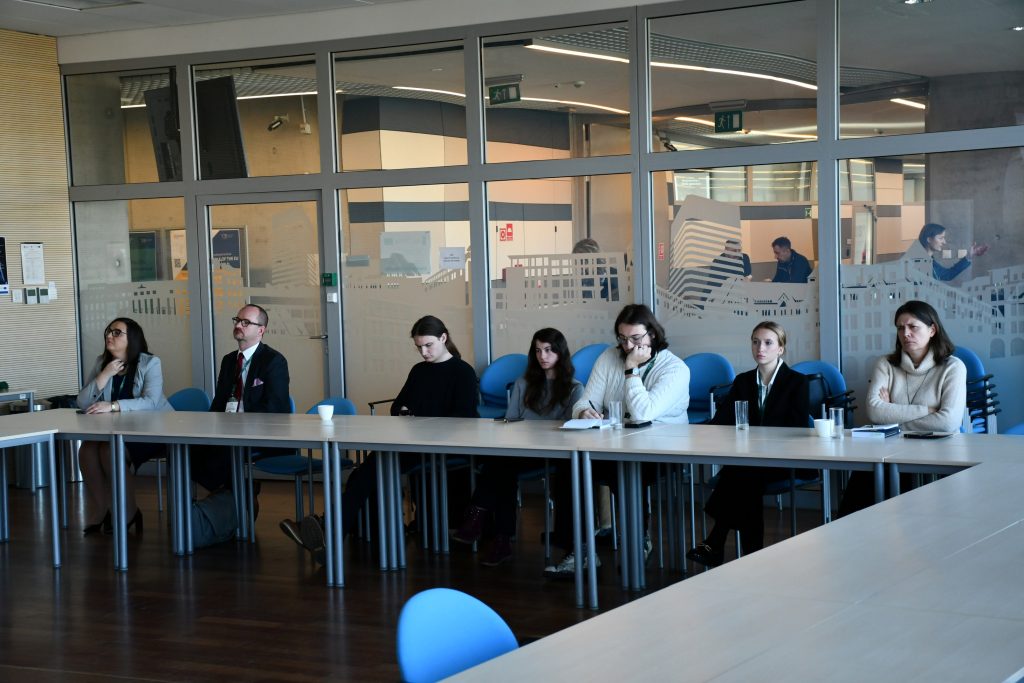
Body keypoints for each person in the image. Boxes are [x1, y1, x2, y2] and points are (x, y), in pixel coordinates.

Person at [281, 315, 478, 563]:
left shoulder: (463, 372)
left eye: (428, 345)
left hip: (444, 446)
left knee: (368, 472)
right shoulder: (419, 371)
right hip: (413, 443)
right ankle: (330, 534)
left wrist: (421, 417)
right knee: (362, 473)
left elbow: (464, 417)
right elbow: (397, 406)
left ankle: (328, 533)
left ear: (443, 338)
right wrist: (405, 411)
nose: (423, 352)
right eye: (419, 347)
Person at [545, 303, 690, 578]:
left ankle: (638, 540)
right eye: (622, 339)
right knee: (569, 467)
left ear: (652, 335)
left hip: (662, 450)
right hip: (616, 444)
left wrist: (631, 370)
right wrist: (583, 411)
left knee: (624, 469)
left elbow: (643, 413)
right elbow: (585, 400)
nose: (628, 346)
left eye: (635, 338)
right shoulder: (608, 357)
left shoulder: (675, 369)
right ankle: (581, 550)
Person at [452, 328, 584, 566]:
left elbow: (569, 429)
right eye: (538, 351)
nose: (542, 356)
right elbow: (512, 420)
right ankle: (499, 538)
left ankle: (482, 520)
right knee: (501, 464)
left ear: (560, 353)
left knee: (499, 466)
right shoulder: (524, 383)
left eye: (549, 350)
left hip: (554, 453)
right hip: (521, 449)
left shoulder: (574, 388)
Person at [686, 321, 809, 568]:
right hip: (750, 460)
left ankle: (716, 541)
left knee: (741, 474)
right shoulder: (743, 381)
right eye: (755, 342)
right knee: (746, 476)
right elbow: (722, 420)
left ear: (781, 349)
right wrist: (695, 433)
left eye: (768, 343)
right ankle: (751, 557)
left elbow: (796, 428)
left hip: (783, 458)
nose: (760, 348)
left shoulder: (797, 382)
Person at [837, 300, 967, 517]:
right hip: (891, 449)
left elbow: (948, 422)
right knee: (865, 479)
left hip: (938, 450)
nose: (905, 333)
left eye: (913, 327)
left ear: (932, 330)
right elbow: (875, 412)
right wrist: (929, 410)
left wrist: (892, 414)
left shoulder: (953, 367)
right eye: (900, 328)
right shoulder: (885, 364)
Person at [189, 304, 291, 548]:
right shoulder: (228, 361)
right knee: (186, 451)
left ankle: (231, 503)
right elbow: (219, 403)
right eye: (237, 320)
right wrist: (208, 427)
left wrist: (242, 423)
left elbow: (276, 407)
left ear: (261, 330)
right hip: (227, 430)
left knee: (223, 454)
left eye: (246, 322)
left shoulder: (273, 361)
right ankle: (232, 499)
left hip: (262, 433)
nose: (238, 325)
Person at [76, 317, 172, 535]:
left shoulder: (150, 363)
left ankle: (129, 512)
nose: (110, 336)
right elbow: (82, 402)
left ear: (133, 338)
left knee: (110, 451)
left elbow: (151, 402)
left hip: (152, 430)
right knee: (87, 451)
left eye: (117, 332)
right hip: (115, 430)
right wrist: (104, 374)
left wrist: (113, 406)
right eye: (108, 332)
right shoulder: (102, 362)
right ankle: (102, 509)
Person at [907, 223, 989, 282]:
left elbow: (947, 275)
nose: (944, 242)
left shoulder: (929, 261)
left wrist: (969, 255)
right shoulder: (913, 262)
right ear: (929, 239)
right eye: (941, 238)